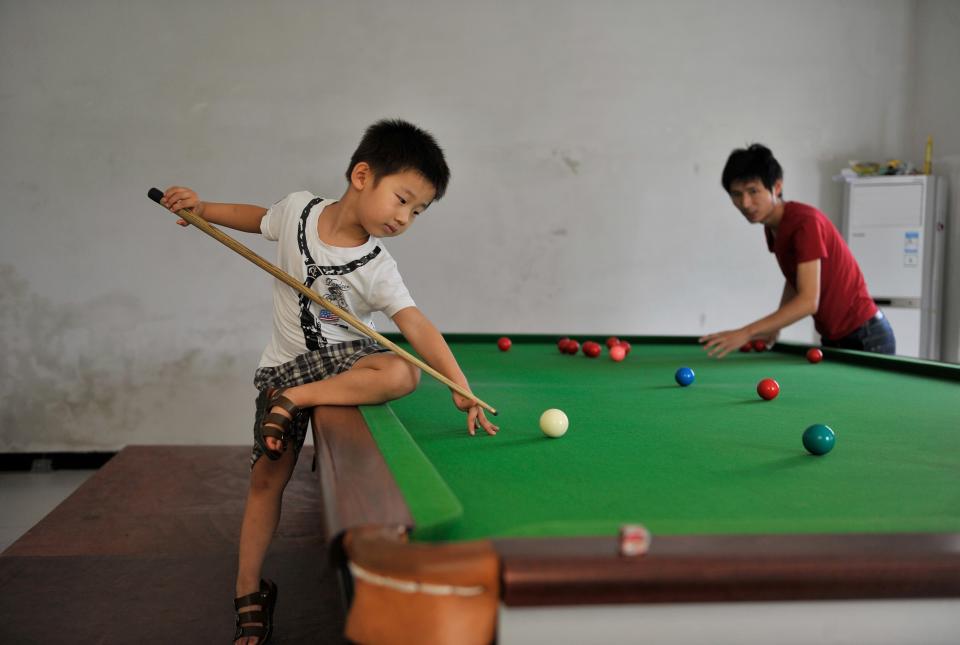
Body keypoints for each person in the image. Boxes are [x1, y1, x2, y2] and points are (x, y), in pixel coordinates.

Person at [160, 119, 499, 645]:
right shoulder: (298, 210)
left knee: (401, 369)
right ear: (362, 175)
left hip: (342, 365)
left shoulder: (378, 266)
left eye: (418, 211)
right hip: (282, 369)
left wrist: (459, 383)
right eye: (402, 199)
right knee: (265, 479)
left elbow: (415, 325)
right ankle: (249, 588)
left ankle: (296, 401)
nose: (405, 217)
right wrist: (202, 209)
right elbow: (256, 219)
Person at [700, 143, 895, 358]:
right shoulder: (773, 227)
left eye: (753, 191)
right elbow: (795, 279)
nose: (745, 203)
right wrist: (774, 326)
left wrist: (746, 333)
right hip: (836, 336)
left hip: (866, 335)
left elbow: (808, 301)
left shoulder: (805, 223)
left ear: (777, 187)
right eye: (736, 194)